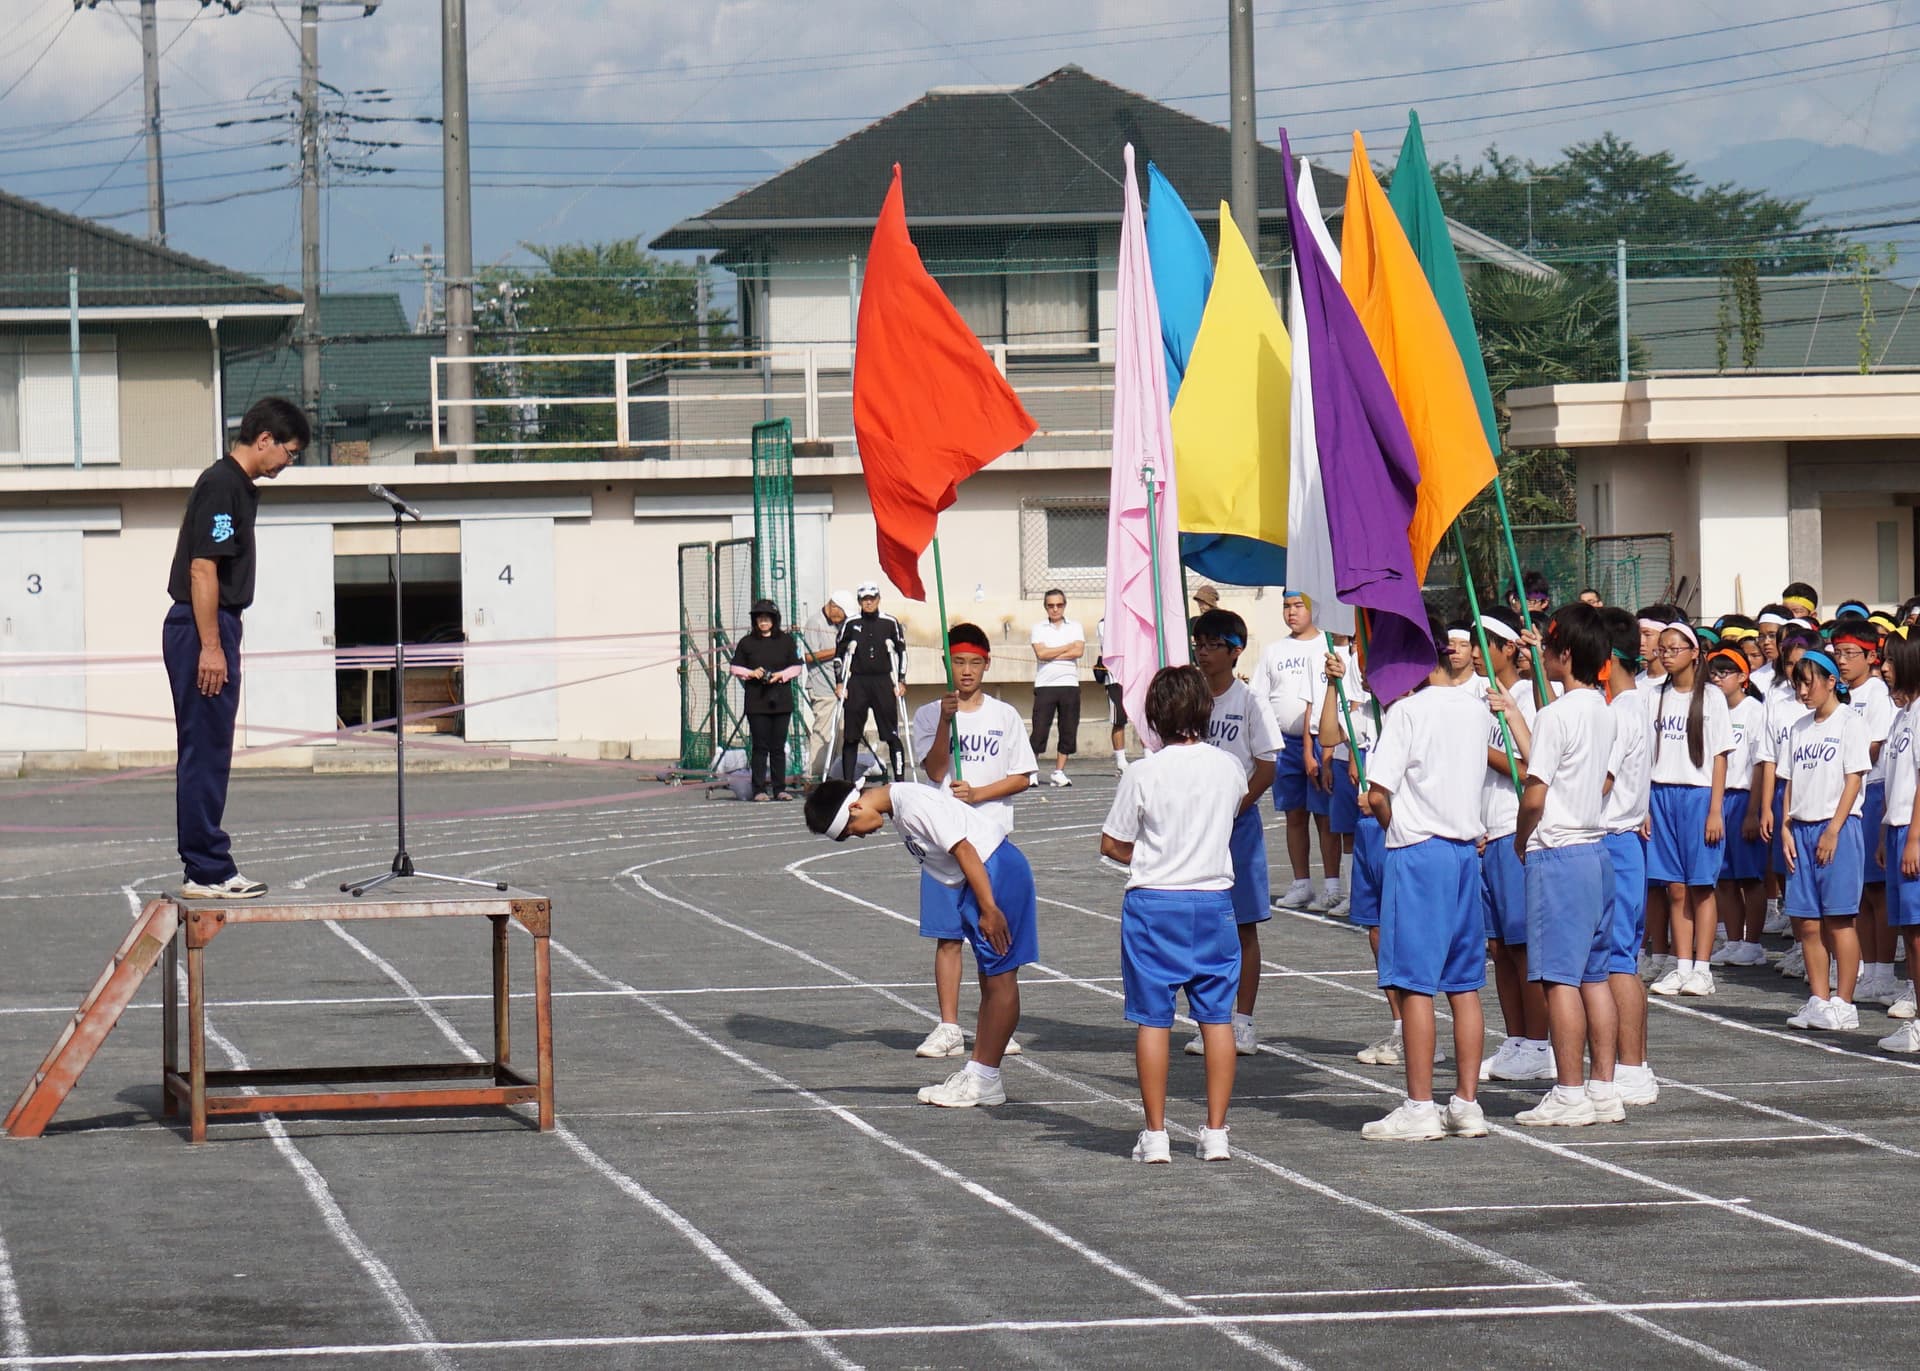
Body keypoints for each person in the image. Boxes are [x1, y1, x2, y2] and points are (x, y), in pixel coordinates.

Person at [805, 776, 1036, 1107]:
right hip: (982, 877)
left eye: (851, 831)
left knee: (1000, 978)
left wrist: (988, 907)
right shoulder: (900, 808)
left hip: (993, 872)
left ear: (855, 807)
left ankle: (985, 1078)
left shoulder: (912, 804)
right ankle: (980, 1074)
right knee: (991, 981)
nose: (860, 835)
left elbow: (964, 848)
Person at [163, 396, 309, 899]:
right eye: (289, 451)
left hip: (212, 625)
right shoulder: (223, 484)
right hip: (203, 625)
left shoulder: (237, 487)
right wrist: (211, 646)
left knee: (210, 749)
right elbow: (203, 568)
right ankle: (207, 869)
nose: (289, 462)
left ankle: (205, 864)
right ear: (265, 439)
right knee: (205, 751)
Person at [1101, 665, 1247, 1163]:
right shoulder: (1228, 766)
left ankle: (1156, 1133)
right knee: (1217, 1019)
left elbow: (1112, 842)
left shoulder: (1143, 772)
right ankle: (1216, 1132)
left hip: (1155, 901)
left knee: (1153, 1019)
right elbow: (1232, 813)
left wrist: (1150, 856)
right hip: (1213, 900)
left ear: (1155, 716)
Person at [1358, 613, 1492, 1141]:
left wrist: (1397, 826)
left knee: (1415, 984)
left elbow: (1377, 794)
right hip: (1462, 852)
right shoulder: (1475, 708)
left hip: (1418, 851)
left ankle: (1419, 1106)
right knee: (1464, 984)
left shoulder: (1407, 712)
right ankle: (1466, 1103)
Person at [1512, 603, 1622, 1127]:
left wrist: (1520, 838)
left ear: (1568, 654)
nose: (1546, 653)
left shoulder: (1556, 716)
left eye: (1552, 647)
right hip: (1596, 850)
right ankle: (1602, 1087)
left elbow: (1535, 794)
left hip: (1558, 852)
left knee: (1559, 980)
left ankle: (1570, 1091)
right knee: (1593, 977)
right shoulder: (1602, 708)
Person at [911, 623, 1038, 1060]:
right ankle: (949, 1026)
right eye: (958, 662)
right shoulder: (929, 714)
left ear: (987, 664)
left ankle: (993, 1022)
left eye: (974, 663)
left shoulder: (1004, 716)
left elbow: (1023, 776)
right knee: (948, 937)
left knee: (993, 936)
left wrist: (980, 793)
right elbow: (934, 769)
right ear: (946, 663)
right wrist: (946, 722)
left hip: (991, 842)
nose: (966, 671)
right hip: (944, 846)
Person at [1182, 608, 1280, 1058]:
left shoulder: (1250, 701)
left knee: (1242, 925)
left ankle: (1243, 1021)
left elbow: (1267, 765)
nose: (1203, 653)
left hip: (1236, 827)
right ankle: (1209, 1017)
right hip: (1193, 826)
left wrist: (1235, 808)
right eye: (1198, 644)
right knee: (1198, 924)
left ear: (1235, 651)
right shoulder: (1190, 699)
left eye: (1212, 645)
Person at [1472, 607, 1553, 1085]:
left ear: (1509, 648)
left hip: (1515, 832)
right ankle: (1517, 1038)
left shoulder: (1527, 696)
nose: (1476, 652)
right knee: (1499, 947)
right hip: (1488, 834)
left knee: (1524, 948)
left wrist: (1479, 748)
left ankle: (1540, 1043)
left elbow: (1532, 770)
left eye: (1486, 642)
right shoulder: (1478, 697)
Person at [1777, 650, 1870, 1031]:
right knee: (1807, 923)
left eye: (1808, 682)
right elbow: (1789, 782)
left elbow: (1854, 779)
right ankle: (1818, 999)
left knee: (1839, 920)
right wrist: (1785, 826)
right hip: (1800, 829)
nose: (1803, 691)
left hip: (1838, 829)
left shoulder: (1850, 722)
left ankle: (1844, 1002)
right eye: (1797, 684)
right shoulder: (1798, 728)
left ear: (1832, 681)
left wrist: (1833, 829)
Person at [1645, 622, 1735, 999]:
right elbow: (1645, 754)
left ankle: (1702, 968)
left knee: (1701, 886)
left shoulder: (1711, 697)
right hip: (1660, 795)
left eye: (1674, 649)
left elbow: (1720, 757)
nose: (1666, 655)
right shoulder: (1653, 695)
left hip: (1698, 797)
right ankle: (1681, 965)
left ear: (1694, 653)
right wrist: (1644, 807)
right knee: (1675, 887)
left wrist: (1715, 810)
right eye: (1662, 649)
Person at [1598, 607, 1658, 1107]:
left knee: (1616, 960)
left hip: (1614, 840)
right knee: (1620, 958)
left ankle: (1632, 1067)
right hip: (1626, 841)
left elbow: (1602, 782)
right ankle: (1630, 1065)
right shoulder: (1634, 704)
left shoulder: (1620, 712)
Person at [1251, 589, 1336, 909]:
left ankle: (1332, 885)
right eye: (1286, 606)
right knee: (1294, 815)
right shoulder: (1274, 651)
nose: (1292, 612)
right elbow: (1259, 697)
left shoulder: (1327, 645)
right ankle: (1302, 883)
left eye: (1299, 605)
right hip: (1285, 744)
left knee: (1325, 816)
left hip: (1321, 742)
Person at [1833, 619, 1900, 1007]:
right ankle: (1870, 969)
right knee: (1860, 890)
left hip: (1872, 790)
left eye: (1850, 653)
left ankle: (1884, 972)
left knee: (1877, 889)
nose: (1842, 661)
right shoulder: (1842, 694)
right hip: (1850, 794)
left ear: (1871, 656)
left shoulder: (1875, 694)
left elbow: (1871, 749)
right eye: (1837, 653)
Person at [1705, 649, 1770, 967]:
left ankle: (1753, 943)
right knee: (1725, 877)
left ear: (1743, 677)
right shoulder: (1710, 709)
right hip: (1718, 798)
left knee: (1750, 877)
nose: (1717, 679)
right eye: (1713, 674)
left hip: (1743, 797)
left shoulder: (1754, 711)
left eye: (1725, 673)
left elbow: (1760, 765)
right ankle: (1733, 940)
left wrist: (1753, 812)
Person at [1875, 631, 1920, 1048]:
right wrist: (1884, 833)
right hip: (1898, 828)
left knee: (1918, 932)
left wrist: (1914, 837)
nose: (1884, 667)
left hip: (1913, 830)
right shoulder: (1902, 714)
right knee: (1910, 931)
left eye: (1890, 660)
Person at [728, 599, 804, 801]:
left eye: (767, 618)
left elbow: (797, 666)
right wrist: (752, 673)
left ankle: (780, 789)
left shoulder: (786, 641)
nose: (763, 622)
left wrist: (781, 675)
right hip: (756, 702)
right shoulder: (747, 642)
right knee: (760, 747)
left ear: (774, 620)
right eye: (760, 618)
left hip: (781, 701)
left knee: (778, 747)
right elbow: (735, 667)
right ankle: (759, 789)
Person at [835, 581, 907, 783]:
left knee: (891, 734)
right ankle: (848, 782)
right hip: (857, 681)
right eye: (864, 599)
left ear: (878, 599)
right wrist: (839, 683)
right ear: (859, 601)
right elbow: (839, 654)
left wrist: (901, 680)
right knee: (851, 735)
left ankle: (900, 780)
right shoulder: (850, 623)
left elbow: (902, 651)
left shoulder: (889, 622)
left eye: (872, 598)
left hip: (883, 680)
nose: (868, 602)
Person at [1028, 589, 1085, 788]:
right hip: (1045, 685)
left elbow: (1079, 650)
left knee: (1068, 729)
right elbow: (1041, 654)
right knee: (1039, 729)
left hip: (1069, 683)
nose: (1055, 609)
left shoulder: (1075, 626)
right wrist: (1066, 647)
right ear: (1045, 607)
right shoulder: (1039, 628)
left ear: (1064, 605)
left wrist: (1052, 653)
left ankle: (1059, 771)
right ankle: (1032, 771)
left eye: (1059, 605)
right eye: (1051, 605)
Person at [802, 589, 855, 776]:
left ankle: (832, 774)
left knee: (838, 734)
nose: (842, 618)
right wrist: (839, 649)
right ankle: (815, 776)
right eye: (842, 613)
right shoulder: (815, 622)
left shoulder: (841, 625)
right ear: (833, 606)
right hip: (822, 686)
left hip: (840, 686)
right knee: (823, 732)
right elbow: (809, 656)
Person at [1094, 617, 1130, 774]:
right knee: (1118, 720)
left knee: (1144, 719)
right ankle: (1121, 762)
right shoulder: (1104, 623)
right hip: (1115, 678)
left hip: (1137, 675)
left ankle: (1149, 756)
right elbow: (1114, 645)